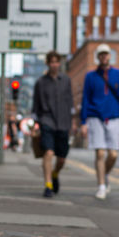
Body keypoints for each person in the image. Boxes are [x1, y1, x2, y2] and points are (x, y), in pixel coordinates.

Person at [80, 43, 119, 199]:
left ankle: (104, 174)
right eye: (100, 54)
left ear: (109, 56)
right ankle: (101, 185)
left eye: (106, 54)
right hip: (95, 117)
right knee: (100, 153)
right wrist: (83, 122)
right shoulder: (90, 77)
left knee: (113, 154)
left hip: (114, 118)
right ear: (97, 57)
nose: (103, 57)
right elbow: (85, 99)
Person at [31, 50, 74, 197]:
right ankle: (48, 185)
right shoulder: (40, 83)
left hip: (63, 123)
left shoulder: (66, 80)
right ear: (48, 64)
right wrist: (35, 125)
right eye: (52, 62)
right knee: (48, 152)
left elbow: (70, 102)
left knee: (61, 159)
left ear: (59, 63)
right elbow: (35, 106)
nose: (54, 65)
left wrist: (72, 123)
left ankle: (55, 174)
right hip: (47, 121)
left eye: (57, 62)